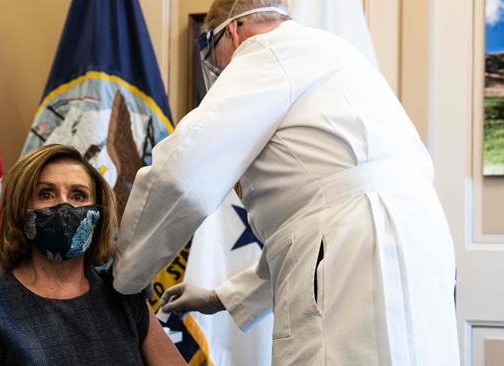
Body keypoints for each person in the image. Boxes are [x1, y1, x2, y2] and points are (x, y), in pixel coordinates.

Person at [112, 0, 460, 365]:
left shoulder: (262, 52)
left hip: (355, 250)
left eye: (212, 52)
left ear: (232, 30)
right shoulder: (335, 52)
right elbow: (318, 216)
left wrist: (125, 274)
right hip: (417, 242)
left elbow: (180, 174)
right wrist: (221, 296)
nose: (217, 67)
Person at [0, 144, 185, 366]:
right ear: (20, 211)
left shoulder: (122, 294)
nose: (64, 206)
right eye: (46, 194)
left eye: (79, 195)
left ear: (98, 214)